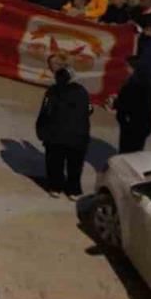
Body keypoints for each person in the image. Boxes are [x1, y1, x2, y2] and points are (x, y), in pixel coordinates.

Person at [35, 59, 91, 198]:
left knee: (55, 163)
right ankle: (73, 191)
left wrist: (41, 130)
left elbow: (45, 112)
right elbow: (88, 110)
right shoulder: (82, 92)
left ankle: (55, 187)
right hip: (78, 137)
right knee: (75, 166)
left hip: (55, 136)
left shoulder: (52, 91)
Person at [114, 68, 151, 154]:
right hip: (142, 125)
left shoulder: (129, 87)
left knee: (126, 150)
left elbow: (120, 105)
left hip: (130, 124)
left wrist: (121, 118)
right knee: (137, 150)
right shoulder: (149, 88)